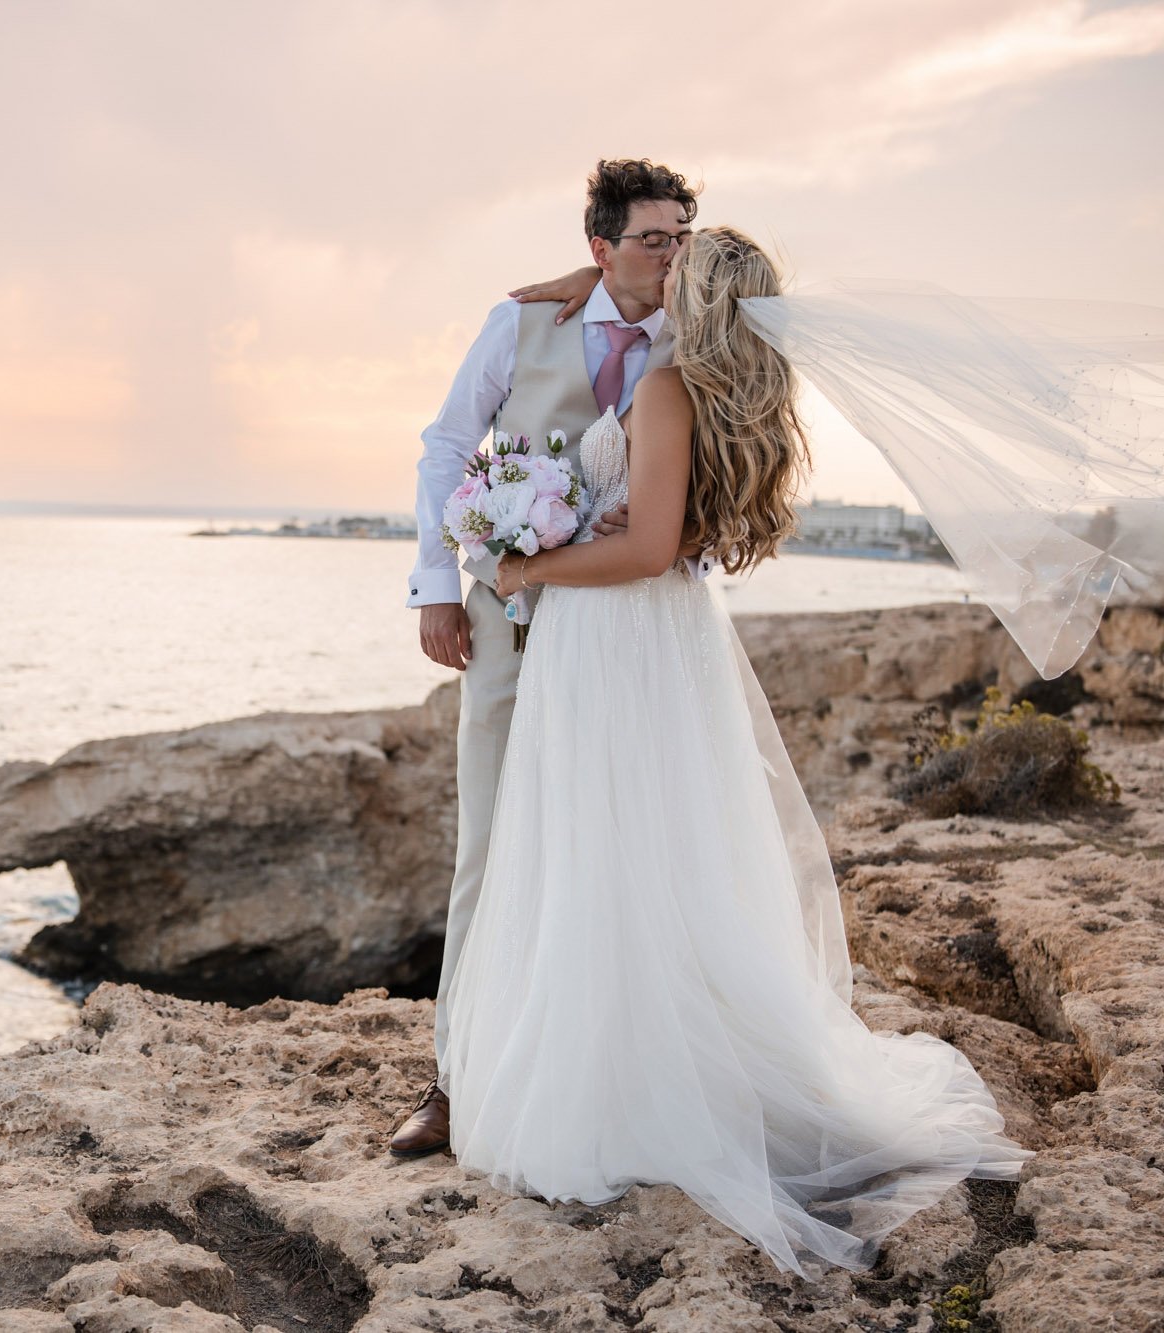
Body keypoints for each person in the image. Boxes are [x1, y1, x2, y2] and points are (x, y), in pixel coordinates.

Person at [435, 225, 1035, 1279]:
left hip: (618, 639)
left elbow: (646, 547)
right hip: (655, 643)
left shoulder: (668, 390)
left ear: (697, 294)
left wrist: (526, 566)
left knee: (609, 845)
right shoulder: (727, 389)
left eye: (674, 266)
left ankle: (627, 1094)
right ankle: (638, 1052)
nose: (654, 273)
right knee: (651, 851)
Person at [393, 158, 710, 1158]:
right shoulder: (518, 324)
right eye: (652, 238)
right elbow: (448, 446)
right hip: (502, 620)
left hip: (625, 631)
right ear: (598, 247)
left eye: (681, 236)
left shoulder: (699, 340)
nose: (672, 255)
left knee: (615, 845)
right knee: (488, 845)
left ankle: (610, 1072)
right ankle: (452, 1079)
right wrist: (437, 585)